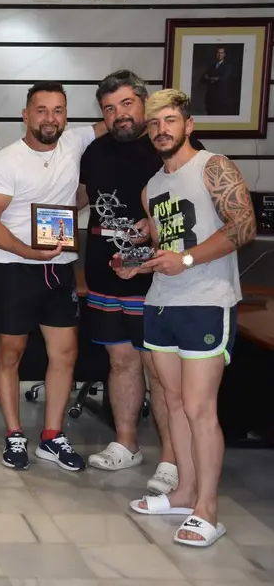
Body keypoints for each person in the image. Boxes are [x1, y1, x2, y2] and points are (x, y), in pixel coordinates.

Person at [123, 89, 254, 548]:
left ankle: (208, 510)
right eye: (154, 123)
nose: (162, 129)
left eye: (170, 121)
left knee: (200, 409)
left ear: (188, 125)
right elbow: (167, 249)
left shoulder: (213, 166)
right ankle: (182, 493)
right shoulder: (152, 187)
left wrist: (190, 261)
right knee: (173, 403)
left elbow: (243, 227)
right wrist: (137, 264)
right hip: (162, 301)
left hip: (205, 299)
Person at [0, 82, 106, 471]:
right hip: (13, 268)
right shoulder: (5, 162)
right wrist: (28, 251)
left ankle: (52, 436)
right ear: (26, 115)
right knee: (10, 354)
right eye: (42, 110)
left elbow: (115, 121)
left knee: (65, 353)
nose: (50, 118)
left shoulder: (76, 141)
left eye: (58, 110)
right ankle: (14, 434)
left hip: (60, 268)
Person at [79, 70, 195, 495]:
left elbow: (188, 203)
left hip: (156, 280)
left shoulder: (167, 144)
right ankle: (126, 442)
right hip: (104, 274)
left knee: (160, 370)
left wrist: (152, 226)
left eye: (126, 104)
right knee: (120, 362)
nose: (119, 115)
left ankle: (171, 457)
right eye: (109, 108)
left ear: (143, 105)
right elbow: (80, 197)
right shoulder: (93, 151)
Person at [200, 47, 235, 115]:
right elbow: (202, 80)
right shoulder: (211, 66)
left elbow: (224, 79)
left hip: (221, 97)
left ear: (224, 54)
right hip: (210, 97)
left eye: (221, 53)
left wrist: (210, 78)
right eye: (218, 53)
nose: (219, 54)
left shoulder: (228, 66)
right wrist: (214, 78)